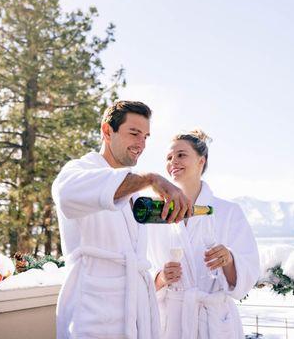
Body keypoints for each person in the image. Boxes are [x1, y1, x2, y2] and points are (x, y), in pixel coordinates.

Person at [52, 100, 192, 339]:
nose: (141, 144)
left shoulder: (133, 191)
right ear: (107, 131)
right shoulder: (79, 170)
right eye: (134, 133)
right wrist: (151, 178)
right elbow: (64, 194)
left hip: (135, 313)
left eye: (146, 137)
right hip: (94, 312)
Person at [147, 130, 260, 339]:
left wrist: (229, 259)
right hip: (171, 322)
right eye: (169, 157)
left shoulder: (229, 212)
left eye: (181, 155)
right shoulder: (156, 214)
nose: (173, 162)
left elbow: (248, 272)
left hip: (214, 322)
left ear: (201, 161)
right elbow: (141, 269)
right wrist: (161, 278)